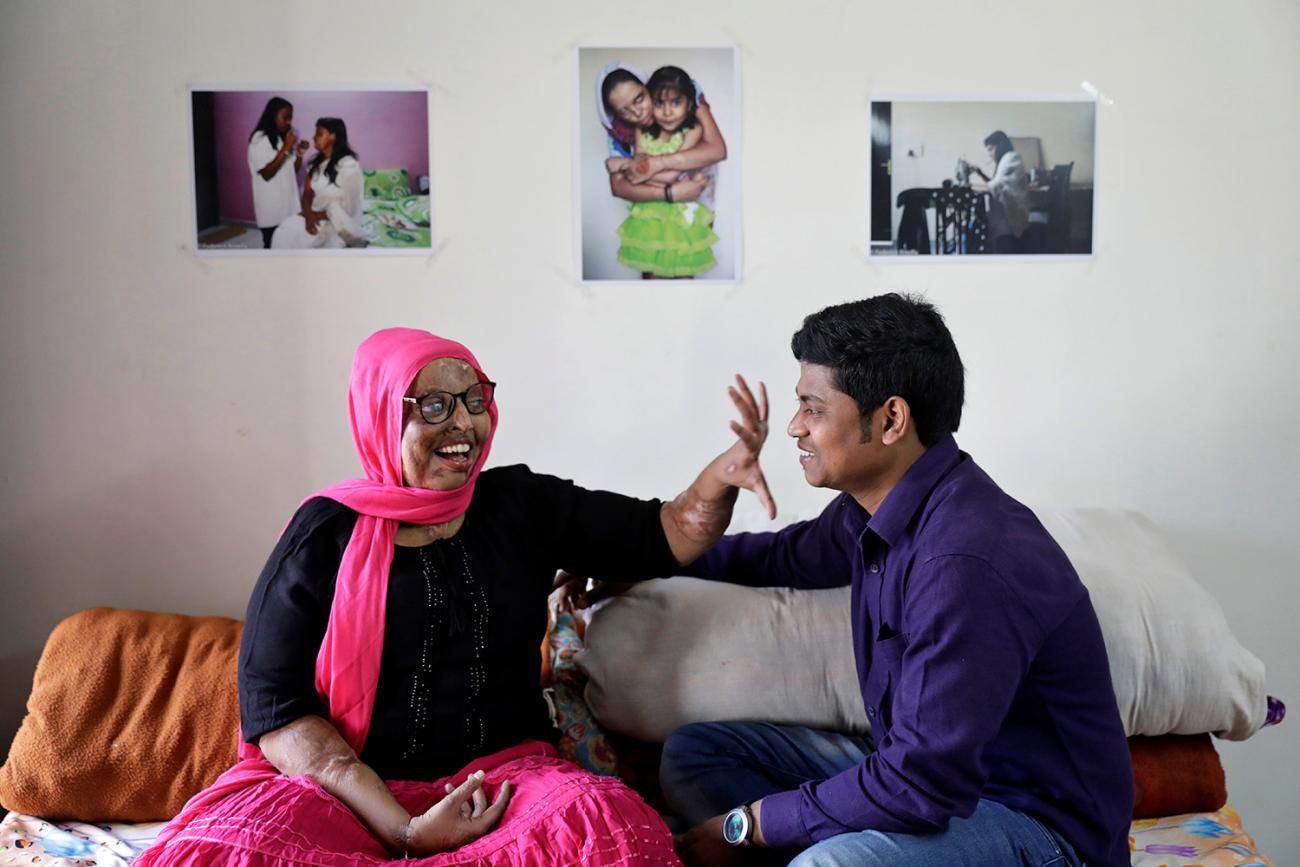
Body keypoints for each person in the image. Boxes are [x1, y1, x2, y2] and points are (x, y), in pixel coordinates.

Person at [136, 327, 776, 866]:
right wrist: (402, 830)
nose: (464, 422)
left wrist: (720, 478)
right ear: (382, 413)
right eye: (434, 406)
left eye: (474, 399)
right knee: (233, 849)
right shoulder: (323, 533)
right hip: (348, 791)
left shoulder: (521, 506)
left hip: (502, 785)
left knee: (605, 828)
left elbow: (664, 534)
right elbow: (277, 712)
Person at [658, 294, 1134, 867]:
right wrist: (649, 555)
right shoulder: (872, 511)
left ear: (889, 420)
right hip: (932, 782)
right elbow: (779, 557)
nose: (793, 428)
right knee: (696, 754)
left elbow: (921, 782)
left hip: (1036, 825)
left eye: (813, 408)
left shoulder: (965, 560)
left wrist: (748, 825)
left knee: (830, 866)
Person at [607, 66, 719, 279]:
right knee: (649, 273)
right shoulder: (641, 130)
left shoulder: (693, 130)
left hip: (681, 216)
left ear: (689, 105)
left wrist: (624, 164)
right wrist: (638, 169)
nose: (667, 112)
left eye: (676, 102)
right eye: (659, 103)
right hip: (649, 216)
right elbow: (638, 167)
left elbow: (666, 176)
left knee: (684, 274)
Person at [598, 64, 727, 209]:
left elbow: (718, 150)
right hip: (654, 211)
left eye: (639, 98)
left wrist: (626, 165)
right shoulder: (626, 130)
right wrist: (670, 192)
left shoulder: (679, 90)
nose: (638, 113)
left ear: (648, 87)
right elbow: (619, 186)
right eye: (624, 111)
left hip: (695, 203)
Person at [272, 117, 366, 249]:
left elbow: (350, 206)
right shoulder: (314, 165)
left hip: (339, 221)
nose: (314, 137)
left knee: (328, 248)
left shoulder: (349, 166)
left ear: (333, 137)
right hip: (314, 215)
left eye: (319, 134)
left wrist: (316, 215)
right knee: (284, 231)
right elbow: (307, 195)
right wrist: (309, 214)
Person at [247, 96, 309, 248]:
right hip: (271, 207)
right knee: (272, 245)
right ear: (272, 115)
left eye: (290, 118)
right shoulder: (259, 139)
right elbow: (267, 174)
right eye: (285, 117)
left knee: (290, 243)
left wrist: (299, 153)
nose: (288, 122)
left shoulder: (282, 138)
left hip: (289, 204)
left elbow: (292, 170)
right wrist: (286, 148)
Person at [963, 130, 1029, 253]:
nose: (989, 154)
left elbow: (996, 186)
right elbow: (995, 184)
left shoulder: (1011, 158)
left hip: (1012, 214)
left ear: (1001, 145)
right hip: (1008, 210)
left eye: (991, 149)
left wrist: (969, 187)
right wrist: (980, 173)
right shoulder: (1005, 160)